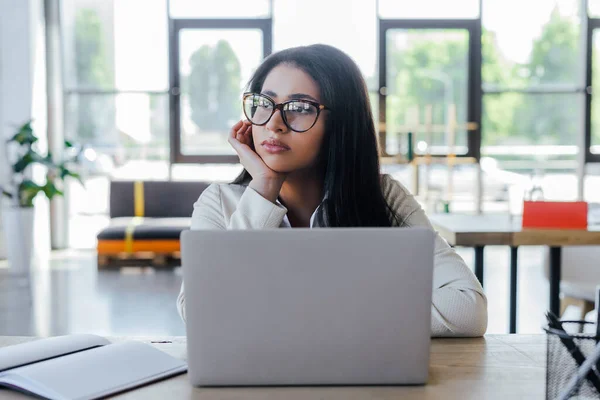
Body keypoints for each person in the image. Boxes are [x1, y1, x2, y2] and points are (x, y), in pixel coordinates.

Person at [177, 44, 487, 337]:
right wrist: (264, 186)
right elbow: (201, 312)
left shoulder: (383, 196)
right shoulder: (219, 202)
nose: (274, 123)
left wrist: (299, 315)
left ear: (341, 123)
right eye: (264, 103)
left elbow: (467, 308)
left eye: (300, 107)